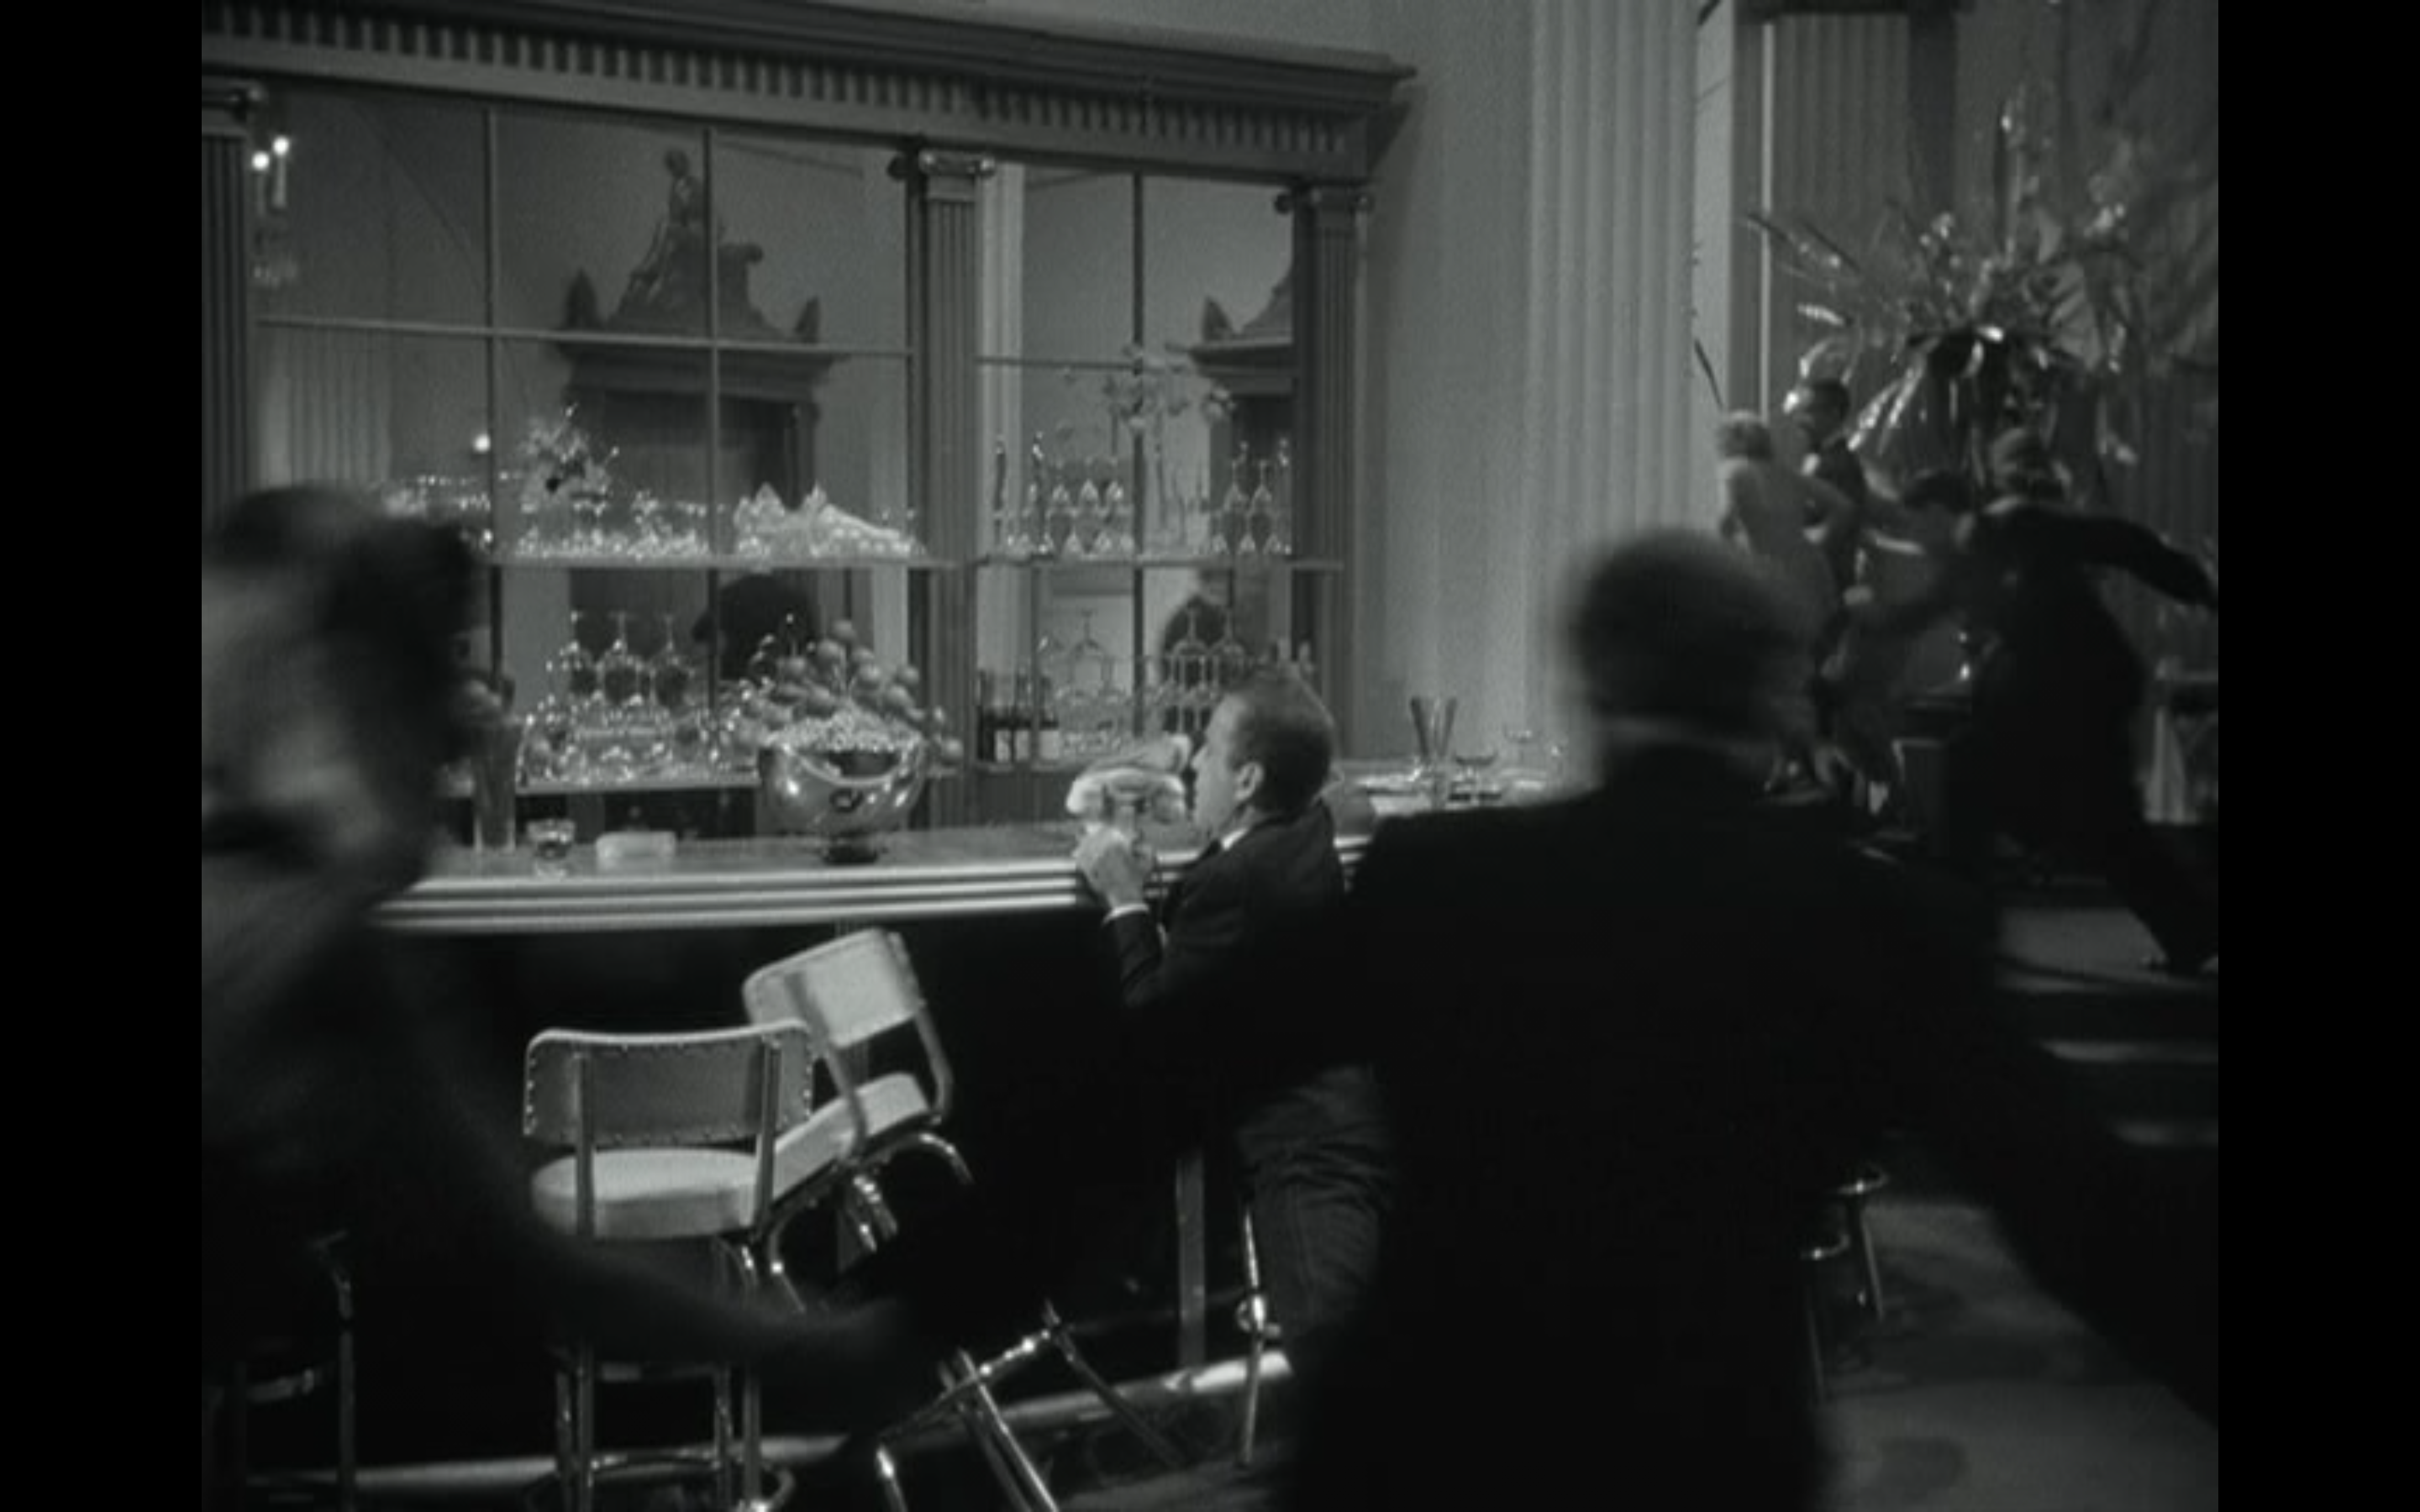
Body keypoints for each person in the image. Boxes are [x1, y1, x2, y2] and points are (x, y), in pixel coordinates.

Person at [1275, 530, 2216, 1509]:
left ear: (1594, 678)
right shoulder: (1874, 920)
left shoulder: (1434, 878)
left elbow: (1198, 1056)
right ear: (1771, 692)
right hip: (1701, 1457)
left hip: (1414, 1452)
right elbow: (2091, 1217)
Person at [202, 486, 923, 1492]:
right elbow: (529, 1258)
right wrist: (817, 1345)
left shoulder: (260, 895)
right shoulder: (311, 945)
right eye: (433, 696)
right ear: (349, 693)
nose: (456, 744)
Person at [1071, 667, 1392, 1397]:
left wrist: (1122, 897)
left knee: (1335, 1369)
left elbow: (1159, 1033)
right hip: (1353, 1126)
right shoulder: (1305, 827)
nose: (1195, 766)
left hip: (1307, 1155)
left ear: (1247, 779)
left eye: (1211, 751)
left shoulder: (1235, 881)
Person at [1850, 434, 2221, 974]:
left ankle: (1970, 925)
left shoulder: (2015, 523)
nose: (1913, 538)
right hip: (2050, 699)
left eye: (1914, 523)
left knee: (2001, 781)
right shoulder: (1964, 562)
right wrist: (1872, 617)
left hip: (2086, 689)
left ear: (1937, 512)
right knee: (2094, 819)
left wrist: (2196, 586)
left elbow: (2117, 541)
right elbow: (1921, 613)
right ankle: (2189, 932)